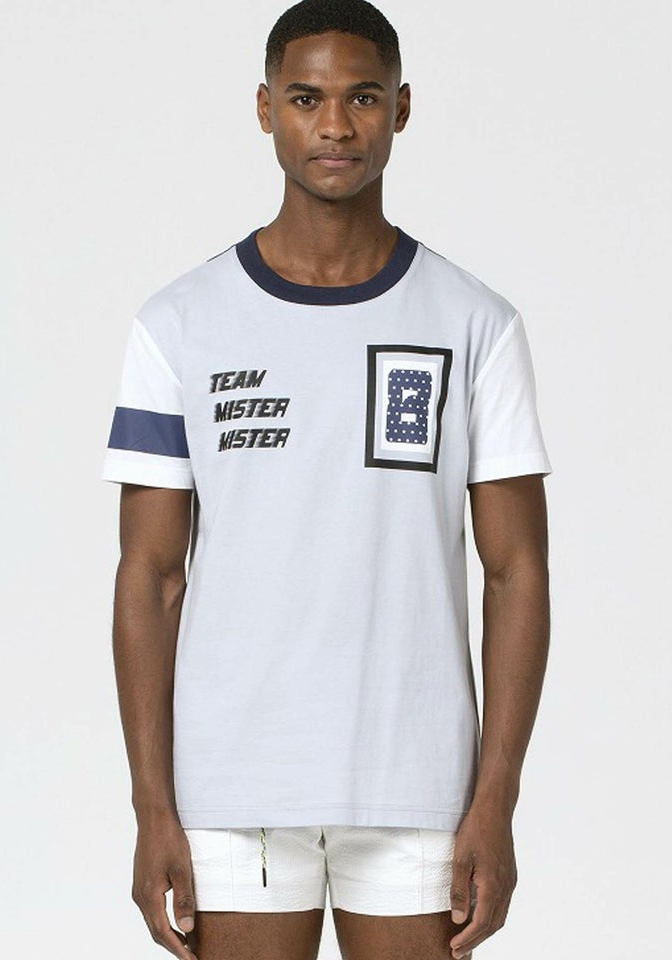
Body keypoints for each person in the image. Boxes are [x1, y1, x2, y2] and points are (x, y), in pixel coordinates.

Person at [101, 1, 552, 958]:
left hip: (418, 787)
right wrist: (151, 807)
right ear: (266, 108)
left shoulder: (475, 323)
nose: (336, 126)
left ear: (402, 109)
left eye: (364, 98)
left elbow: (516, 572)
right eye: (307, 99)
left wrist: (496, 799)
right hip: (232, 790)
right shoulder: (179, 324)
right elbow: (150, 575)